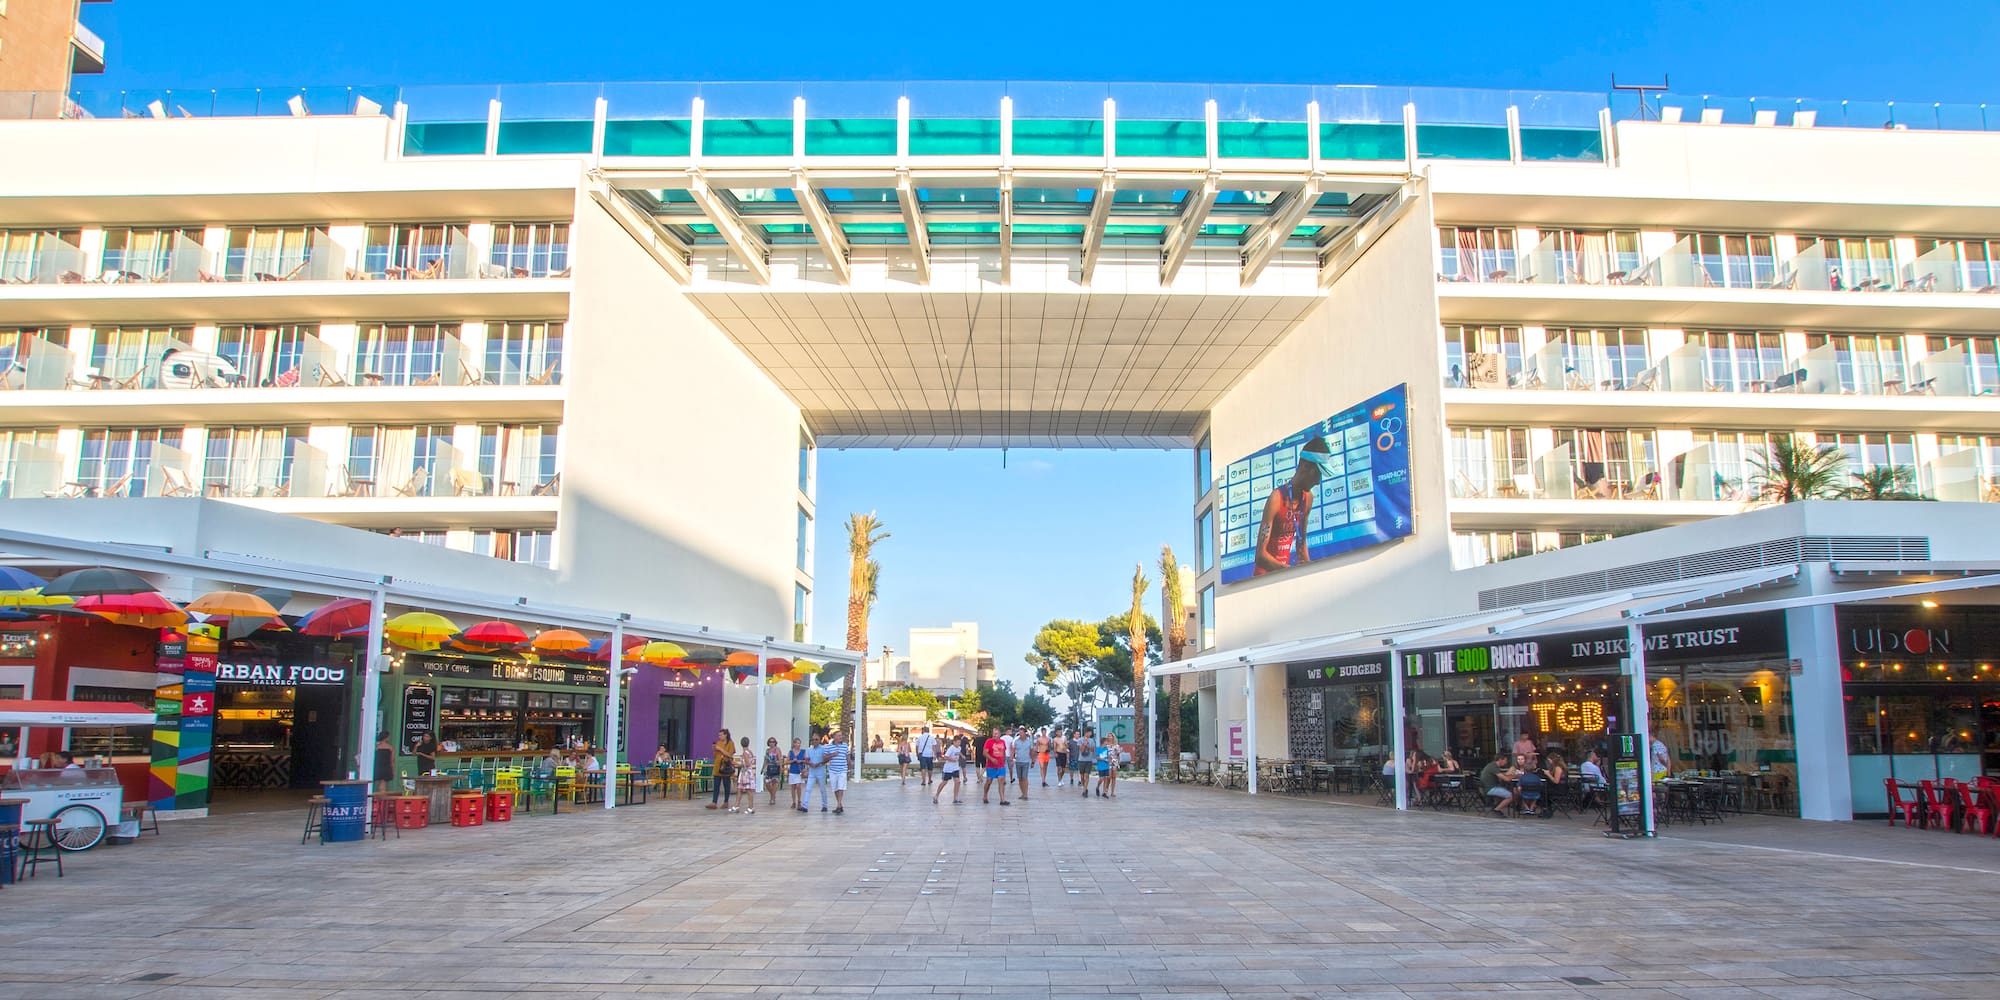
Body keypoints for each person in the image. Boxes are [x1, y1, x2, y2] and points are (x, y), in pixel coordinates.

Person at [1254, 435, 1330, 575]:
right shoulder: (1276, 498)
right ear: (1305, 466)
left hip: (1285, 575)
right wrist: (1289, 571)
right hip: (1265, 578)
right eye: (1317, 474)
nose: (1318, 481)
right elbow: (1260, 556)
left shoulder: (1308, 498)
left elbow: (1301, 545)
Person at [1480, 750, 1520, 817]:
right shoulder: (1493, 767)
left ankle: (1497, 807)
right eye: (1505, 760)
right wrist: (1515, 775)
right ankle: (1496, 810)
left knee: (1514, 792)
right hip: (1490, 788)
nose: (1506, 762)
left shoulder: (1492, 765)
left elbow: (1502, 775)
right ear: (1500, 760)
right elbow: (1506, 779)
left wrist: (1509, 774)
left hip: (1489, 787)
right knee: (1511, 796)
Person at [707, 728, 735, 811]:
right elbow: (715, 755)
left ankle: (726, 801)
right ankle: (714, 802)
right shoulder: (718, 743)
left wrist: (721, 749)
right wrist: (714, 749)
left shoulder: (730, 743)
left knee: (726, 784)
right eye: (719, 735)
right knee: (716, 785)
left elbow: (730, 755)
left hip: (725, 766)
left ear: (725, 735)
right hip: (717, 766)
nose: (719, 737)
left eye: (721, 735)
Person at [981, 729, 1011, 805]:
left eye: (996, 733)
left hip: (1000, 765)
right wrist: (992, 759)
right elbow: (984, 753)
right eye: (994, 733)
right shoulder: (989, 741)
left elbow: (1003, 752)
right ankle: (985, 795)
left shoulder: (1002, 742)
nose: (994, 735)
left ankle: (1002, 799)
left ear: (1000, 734)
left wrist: (1004, 762)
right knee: (989, 781)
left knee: (1001, 781)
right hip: (991, 765)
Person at [823, 730, 850, 814]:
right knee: (835, 788)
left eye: (841, 735)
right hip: (833, 770)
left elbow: (848, 757)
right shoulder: (828, 747)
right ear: (834, 737)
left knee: (841, 787)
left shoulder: (845, 746)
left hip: (842, 769)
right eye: (839, 735)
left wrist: (849, 769)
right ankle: (840, 805)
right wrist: (832, 755)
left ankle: (838, 805)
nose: (841, 737)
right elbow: (824, 757)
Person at [804, 734, 831, 812]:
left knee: (822, 789)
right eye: (813, 739)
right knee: (808, 789)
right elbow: (806, 760)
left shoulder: (823, 749)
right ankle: (804, 806)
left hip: (820, 771)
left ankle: (824, 805)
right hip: (812, 771)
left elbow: (827, 759)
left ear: (819, 740)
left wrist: (820, 763)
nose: (814, 741)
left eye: (816, 739)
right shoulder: (809, 749)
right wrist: (810, 764)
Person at [933, 735, 963, 804]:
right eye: (958, 742)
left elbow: (959, 752)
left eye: (959, 742)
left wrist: (962, 756)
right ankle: (936, 795)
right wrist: (952, 759)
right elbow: (946, 757)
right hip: (948, 768)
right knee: (944, 782)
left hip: (955, 767)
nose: (959, 744)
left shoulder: (959, 748)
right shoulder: (951, 748)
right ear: (954, 742)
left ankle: (955, 798)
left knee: (958, 782)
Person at [734, 736, 759, 813]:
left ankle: (751, 807)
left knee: (748, 790)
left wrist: (737, 764)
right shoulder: (750, 752)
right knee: (740, 789)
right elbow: (752, 761)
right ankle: (736, 805)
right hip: (747, 772)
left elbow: (747, 764)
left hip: (746, 773)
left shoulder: (745, 753)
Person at [1012, 725, 1034, 801]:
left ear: (1025, 733)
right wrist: (1012, 759)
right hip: (1018, 761)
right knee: (1020, 778)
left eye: (1022, 733)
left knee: (1025, 777)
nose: (1020, 734)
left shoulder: (1029, 741)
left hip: (1026, 761)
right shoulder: (1016, 740)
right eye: (1019, 733)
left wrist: (1033, 761)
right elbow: (1013, 750)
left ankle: (1025, 794)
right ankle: (1022, 793)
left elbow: (1031, 751)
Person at [787, 737, 808, 811]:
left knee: (798, 786)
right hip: (793, 770)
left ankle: (799, 801)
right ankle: (793, 802)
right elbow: (787, 761)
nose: (798, 744)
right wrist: (792, 761)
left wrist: (801, 761)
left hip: (800, 771)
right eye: (797, 743)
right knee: (793, 787)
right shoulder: (790, 752)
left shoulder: (803, 751)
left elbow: (806, 760)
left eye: (799, 743)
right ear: (794, 744)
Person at [763, 736, 783, 806]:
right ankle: (773, 795)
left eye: (773, 742)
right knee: (766, 782)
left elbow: (780, 759)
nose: (772, 743)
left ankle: (772, 798)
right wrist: (762, 768)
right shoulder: (767, 750)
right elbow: (765, 760)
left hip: (776, 767)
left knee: (775, 783)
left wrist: (781, 768)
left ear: (775, 743)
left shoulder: (777, 749)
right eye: (770, 742)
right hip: (769, 768)